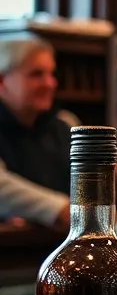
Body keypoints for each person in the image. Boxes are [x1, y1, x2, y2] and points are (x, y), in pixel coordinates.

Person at [0, 33, 74, 230]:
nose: (50, 84)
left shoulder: (63, 126)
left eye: (51, 74)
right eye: (36, 74)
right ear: (1, 81)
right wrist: (60, 209)